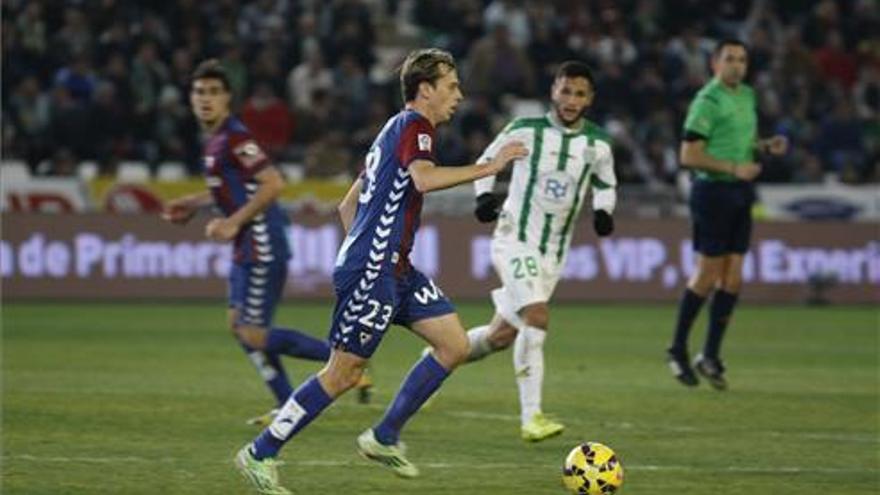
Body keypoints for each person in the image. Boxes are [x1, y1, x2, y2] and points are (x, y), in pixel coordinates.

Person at [234, 48, 527, 494]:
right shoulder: (416, 127)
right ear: (425, 89)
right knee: (344, 374)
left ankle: (383, 436)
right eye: (451, 86)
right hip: (376, 270)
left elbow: (347, 204)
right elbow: (424, 180)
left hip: (392, 269)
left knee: (453, 344)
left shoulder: (392, 131)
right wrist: (491, 167)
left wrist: (372, 252)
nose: (459, 95)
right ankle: (260, 452)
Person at [161, 60, 371, 427]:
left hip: (261, 244)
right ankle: (287, 401)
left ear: (227, 98)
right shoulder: (216, 141)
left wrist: (231, 223)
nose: (205, 99)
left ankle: (347, 363)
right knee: (238, 325)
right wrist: (193, 205)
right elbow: (233, 190)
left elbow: (273, 183)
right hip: (247, 245)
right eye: (199, 92)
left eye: (213, 92)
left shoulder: (236, 138)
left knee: (254, 333)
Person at [437, 61, 618, 442]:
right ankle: (531, 418)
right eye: (565, 91)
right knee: (536, 316)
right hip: (514, 239)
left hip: (554, 253)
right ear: (554, 91)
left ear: (590, 99)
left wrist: (604, 211)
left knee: (500, 336)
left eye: (579, 94)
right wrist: (485, 198)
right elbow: (488, 159)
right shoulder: (526, 131)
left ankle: (434, 361)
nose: (571, 100)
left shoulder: (598, 143)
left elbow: (605, 183)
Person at [665, 40, 788, 390]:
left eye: (742, 60)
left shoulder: (746, 95)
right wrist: (734, 168)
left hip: (739, 191)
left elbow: (737, 141)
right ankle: (676, 350)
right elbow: (689, 154)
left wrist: (764, 146)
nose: (737, 65)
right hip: (713, 191)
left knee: (733, 278)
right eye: (729, 59)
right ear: (714, 64)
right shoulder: (707, 100)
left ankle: (710, 355)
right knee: (707, 275)